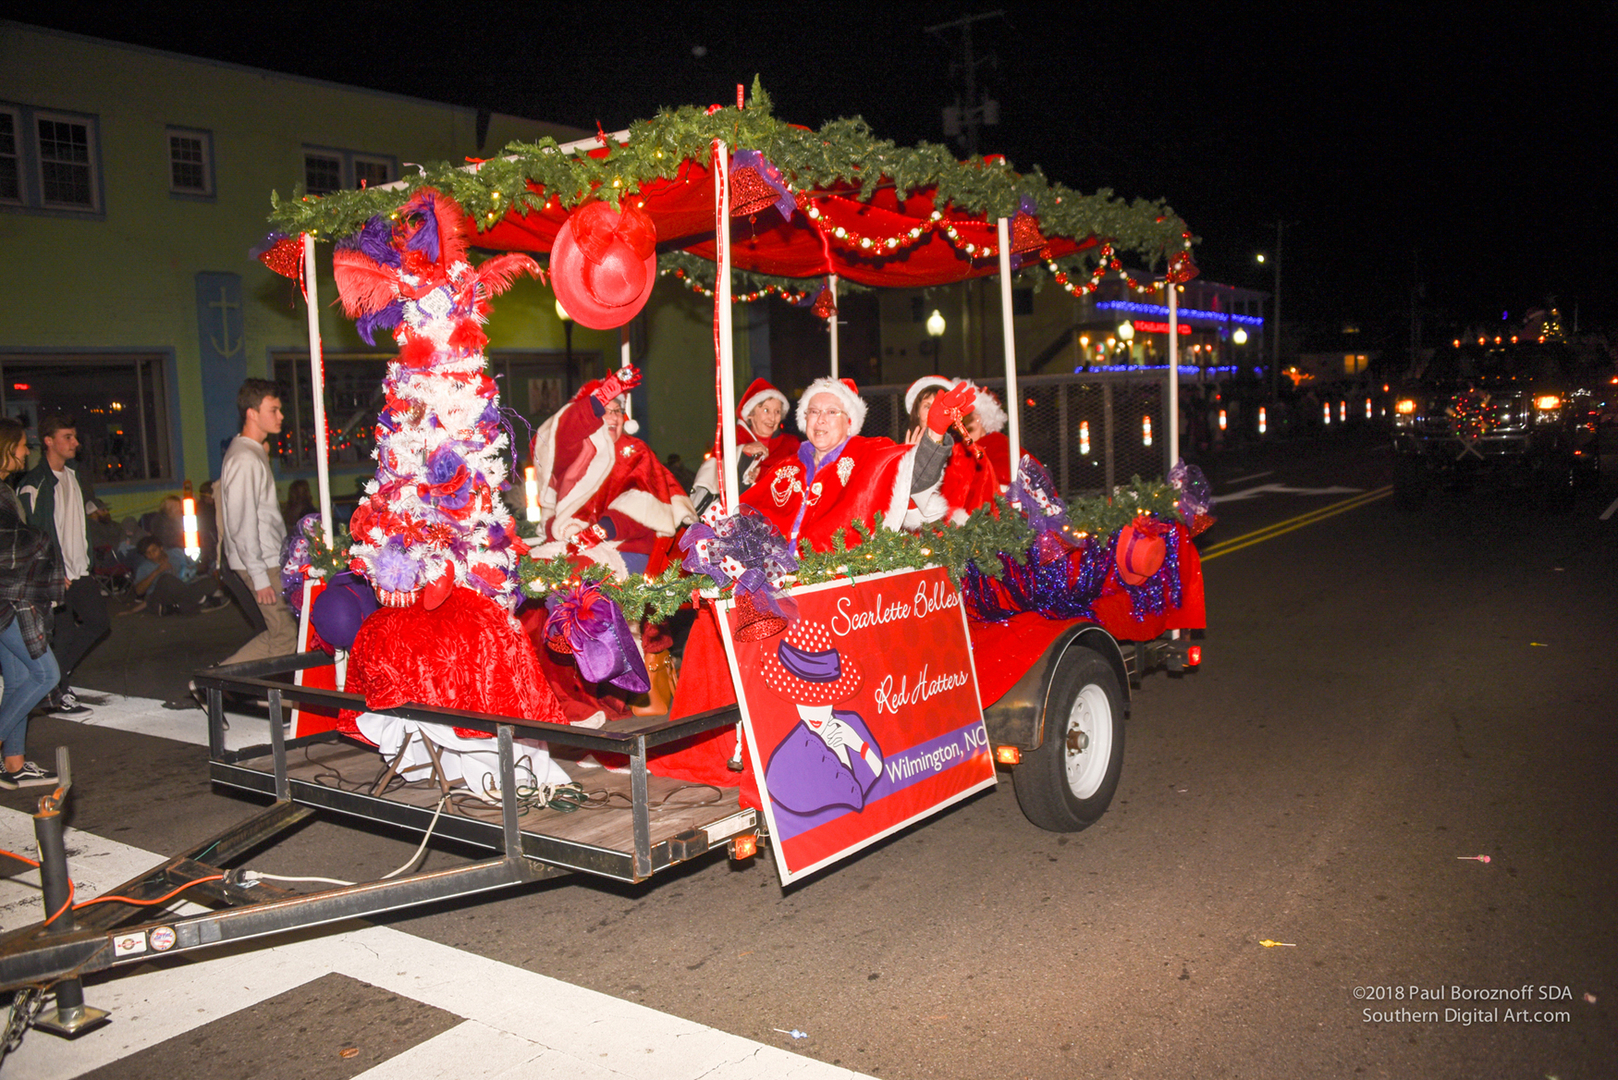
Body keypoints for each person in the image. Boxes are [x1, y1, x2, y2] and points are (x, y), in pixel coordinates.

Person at [740, 375, 976, 551]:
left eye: (832, 412)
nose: (821, 419)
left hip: (840, 587)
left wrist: (934, 433)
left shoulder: (869, 453)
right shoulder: (786, 466)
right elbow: (747, 512)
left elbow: (915, 476)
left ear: (850, 421)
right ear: (805, 419)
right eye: (813, 411)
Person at [528, 369, 695, 578]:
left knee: (576, 577)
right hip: (573, 545)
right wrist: (599, 397)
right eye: (606, 410)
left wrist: (602, 530)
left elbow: (644, 501)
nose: (614, 416)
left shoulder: (635, 450)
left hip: (625, 547)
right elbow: (565, 430)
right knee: (533, 574)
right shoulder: (574, 451)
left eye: (617, 410)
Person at [16, 414, 108, 717]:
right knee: (64, 634)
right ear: (49, 441)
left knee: (98, 623)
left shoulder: (76, 474)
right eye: (67, 437)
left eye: (74, 436)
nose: (75, 443)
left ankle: (53, 683)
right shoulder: (34, 484)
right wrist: (49, 571)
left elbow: (80, 513)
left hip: (79, 569)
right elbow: (30, 533)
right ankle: (57, 688)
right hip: (54, 574)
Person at [0, 417, 64, 788]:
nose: (27, 452)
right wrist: (40, 543)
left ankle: (14, 764)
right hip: (9, 599)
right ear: (6, 448)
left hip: (9, 596)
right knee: (46, 674)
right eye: (23, 445)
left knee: (19, 677)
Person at [215, 379, 297, 664]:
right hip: (261, 561)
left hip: (269, 557)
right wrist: (259, 576)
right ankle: (215, 683)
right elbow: (241, 521)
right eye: (273, 410)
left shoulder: (252, 452)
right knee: (285, 636)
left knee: (285, 634)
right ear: (252, 413)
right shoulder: (244, 458)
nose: (281, 416)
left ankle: (219, 683)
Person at [690, 377, 801, 512]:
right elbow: (716, 475)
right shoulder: (732, 439)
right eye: (766, 410)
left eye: (777, 412)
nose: (772, 418)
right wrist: (742, 453)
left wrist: (764, 476)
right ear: (750, 414)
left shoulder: (791, 444)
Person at [901, 377, 999, 525]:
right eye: (928, 407)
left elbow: (988, 504)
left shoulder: (971, 455)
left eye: (939, 407)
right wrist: (907, 461)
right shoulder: (898, 454)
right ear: (917, 413)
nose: (934, 413)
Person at [131, 536, 226, 615]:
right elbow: (139, 591)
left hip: (185, 586)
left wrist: (193, 567)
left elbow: (195, 567)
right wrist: (157, 571)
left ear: (161, 548)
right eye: (148, 553)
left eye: (154, 550)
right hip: (162, 595)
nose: (152, 555)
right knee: (167, 580)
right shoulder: (144, 567)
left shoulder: (176, 553)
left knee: (211, 582)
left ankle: (191, 603)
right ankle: (199, 602)